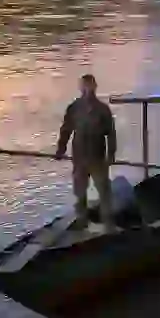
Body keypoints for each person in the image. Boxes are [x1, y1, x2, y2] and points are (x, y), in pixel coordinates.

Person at [55, 74, 117, 227]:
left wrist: (111, 155)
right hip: (79, 158)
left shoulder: (103, 110)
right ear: (81, 88)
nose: (88, 89)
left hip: (97, 158)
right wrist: (60, 148)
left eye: (90, 86)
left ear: (95, 87)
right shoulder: (74, 108)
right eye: (85, 86)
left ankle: (108, 223)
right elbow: (66, 130)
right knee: (80, 192)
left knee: (104, 191)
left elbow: (111, 134)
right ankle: (82, 221)